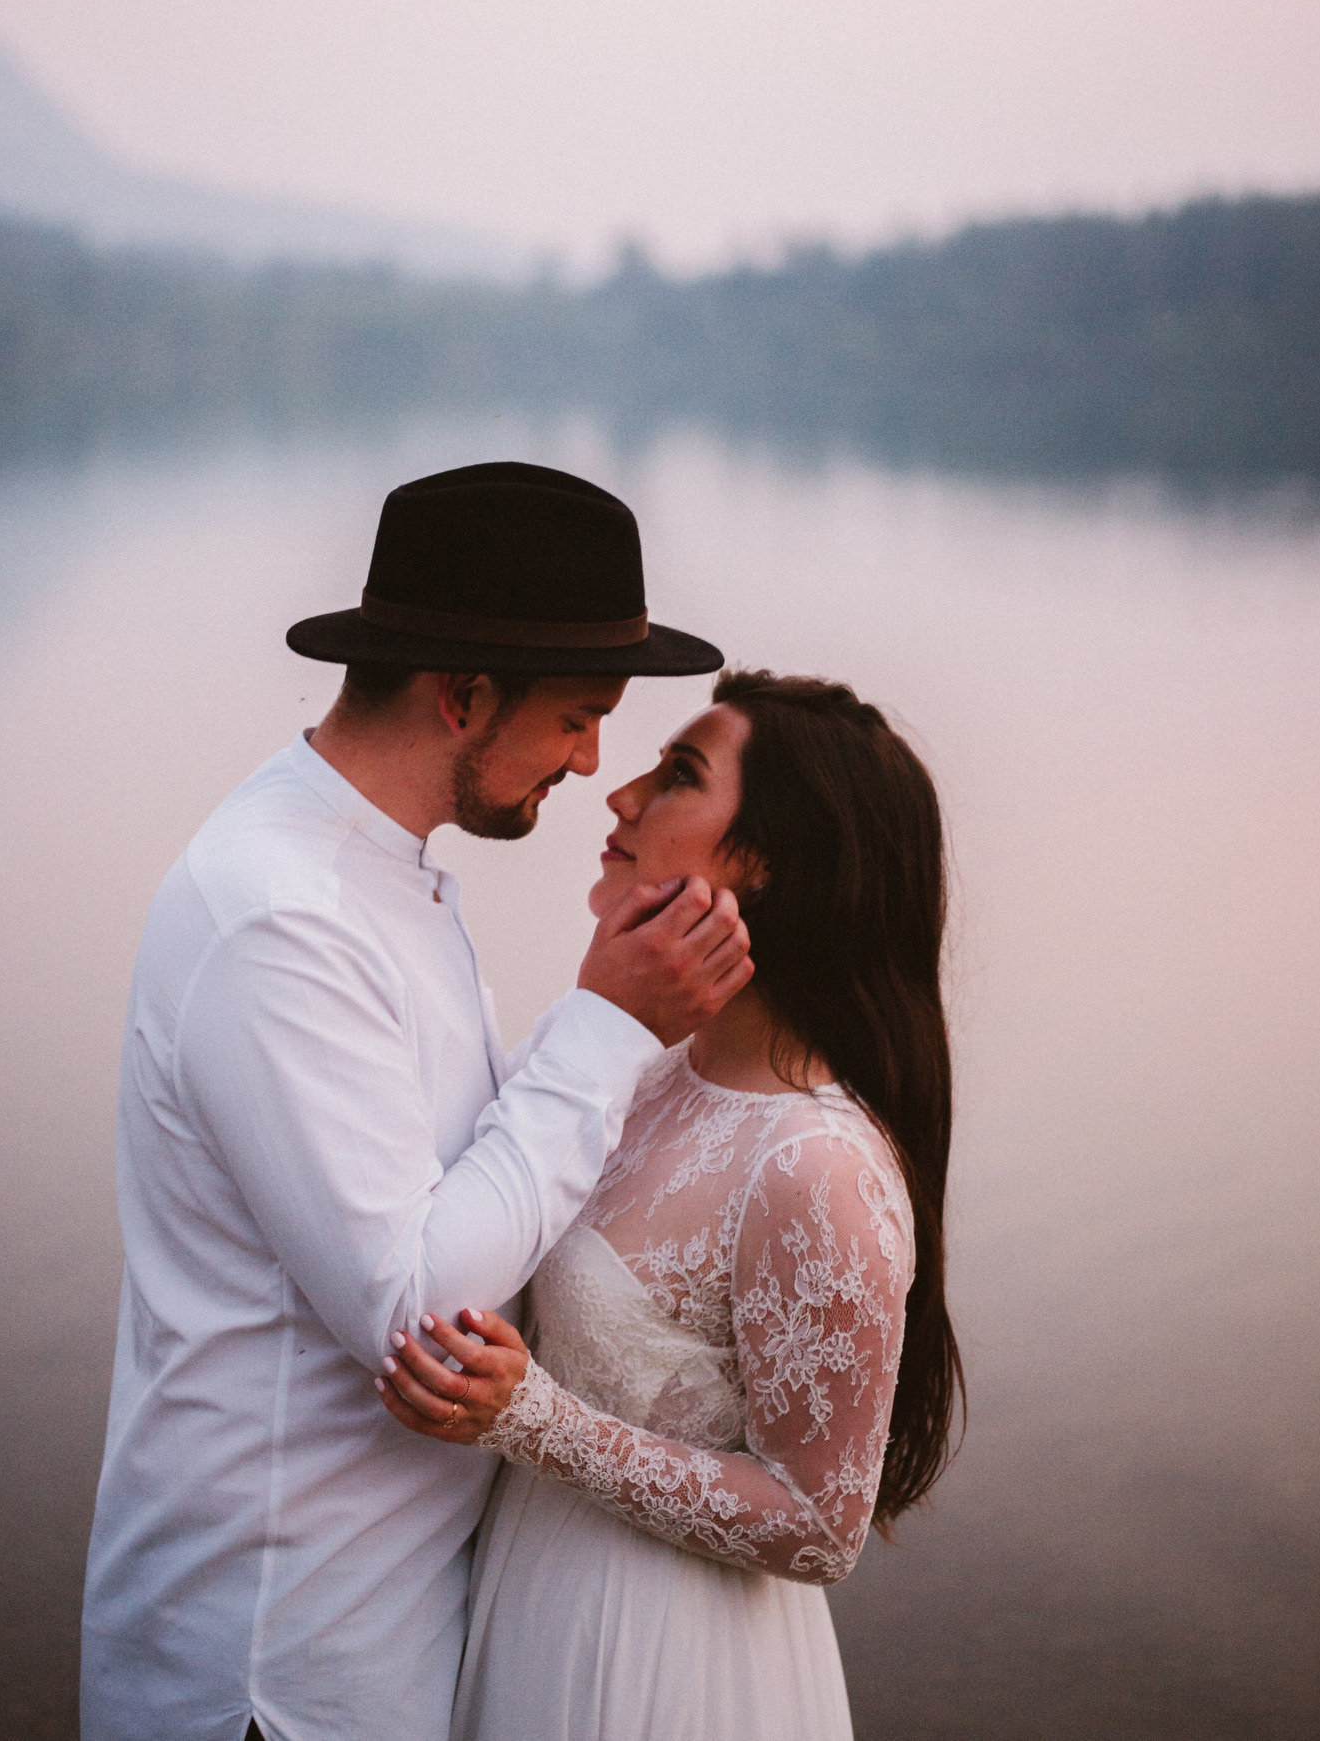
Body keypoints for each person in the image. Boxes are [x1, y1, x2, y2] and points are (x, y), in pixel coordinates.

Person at [80, 462, 755, 1741]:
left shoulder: (379, 877)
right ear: (463, 697)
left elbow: (472, 1190)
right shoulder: (280, 915)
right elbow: (415, 1316)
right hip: (273, 1668)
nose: (592, 762)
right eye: (577, 715)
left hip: (375, 1631)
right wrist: (610, 1024)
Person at [378, 670, 965, 1741]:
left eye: (679, 775)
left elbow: (817, 1525)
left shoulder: (814, 1165)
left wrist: (532, 1421)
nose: (619, 794)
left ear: (773, 868)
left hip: (661, 1660)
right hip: (526, 1597)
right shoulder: (638, 1066)